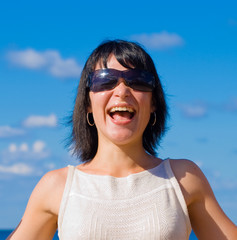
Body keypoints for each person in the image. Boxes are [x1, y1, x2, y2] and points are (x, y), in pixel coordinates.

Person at [8, 40, 237, 240]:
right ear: (87, 103)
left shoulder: (183, 178)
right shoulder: (56, 187)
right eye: (105, 81)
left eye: (138, 81)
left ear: (154, 103)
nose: (122, 90)